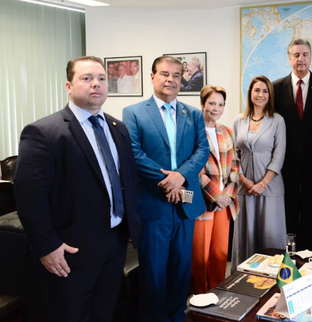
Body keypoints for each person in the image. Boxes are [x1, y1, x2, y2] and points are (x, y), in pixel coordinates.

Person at [14, 56, 141, 322]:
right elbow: (29, 197)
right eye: (86, 78)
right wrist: (47, 246)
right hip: (70, 250)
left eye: (102, 78)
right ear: (69, 86)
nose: (96, 84)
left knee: (104, 312)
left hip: (115, 243)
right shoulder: (44, 132)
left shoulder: (118, 128)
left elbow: (126, 181)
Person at [123, 56, 209, 322]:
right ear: (152, 77)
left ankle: (176, 318)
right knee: (154, 273)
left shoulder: (192, 114)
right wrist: (168, 181)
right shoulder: (134, 112)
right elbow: (134, 154)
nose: (170, 79)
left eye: (175, 75)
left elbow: (202, 149)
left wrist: (180, 177)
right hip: (153, 204)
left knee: (181, 270)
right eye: (164, 74)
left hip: (185, 204)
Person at [273, 39, 312, 251]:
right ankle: (288, 256)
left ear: (311, 57)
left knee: (311, 214)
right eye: (296, 55)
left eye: (305, 54)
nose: (301, 59)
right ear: (289, 58)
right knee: (287, 211)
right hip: (285, 164)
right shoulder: (275, 88)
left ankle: (308, 257)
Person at [230, 75, 287, 270]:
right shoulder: (239, 120)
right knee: (246, 238)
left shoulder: (277, 120)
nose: (260, 94)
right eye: (257, 90)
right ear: (250, 93)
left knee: (269, 237)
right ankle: (242, 283)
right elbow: (233, 156)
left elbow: (278, 157)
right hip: (244, 189)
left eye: (265, 91)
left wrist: (262, 184)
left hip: (270, 189)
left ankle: (271, 286)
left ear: (270, 94)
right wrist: (244, 181)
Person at [191, 85, 240, 294]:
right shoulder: (193, 131)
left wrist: (227, 195)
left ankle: (218, 294)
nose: (216, 108)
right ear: (202, 104)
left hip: (225, 203)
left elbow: (236, 165)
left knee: (220, 254)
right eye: (211, 103)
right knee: (200, 257)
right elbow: (194, 169)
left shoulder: (226, 131)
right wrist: (216, 195)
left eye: (220, 104)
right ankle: (200, 298)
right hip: (204, 202)